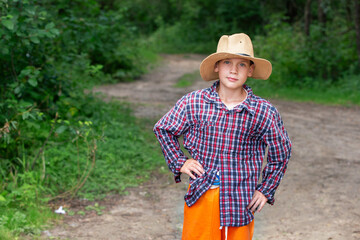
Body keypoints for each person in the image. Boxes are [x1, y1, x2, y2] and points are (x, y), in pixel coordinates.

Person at [153, 33, 292, 240]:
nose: (234, 70)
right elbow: (164, 128)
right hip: (203, 194)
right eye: (227, 62)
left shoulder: (263, 111)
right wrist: (180, 161)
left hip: (240, 200)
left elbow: (281, 152)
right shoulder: (194, 102)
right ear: (217, 66)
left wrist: (265, 189)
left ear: (251, 70)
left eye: (242, 64)